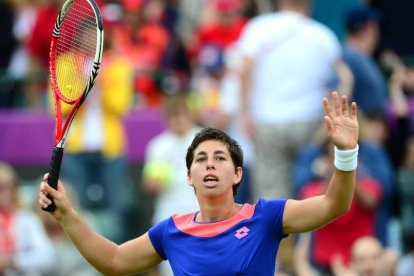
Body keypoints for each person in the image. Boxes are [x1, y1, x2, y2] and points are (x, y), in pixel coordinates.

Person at [38, 92, 359, 275]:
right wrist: (68, 215)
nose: (209, 163)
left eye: (220, 158)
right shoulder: (171, 232)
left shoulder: (266, 217)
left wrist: (346, 153)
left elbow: (334, 204)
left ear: (237, 174)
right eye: (201, 159)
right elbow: (113, 260)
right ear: (189, 176)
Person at [0, 162, 55, 274]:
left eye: (12, 186)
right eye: (1, 187)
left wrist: (13, 261)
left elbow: (47, 257)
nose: (7, 192)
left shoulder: (27, 219)